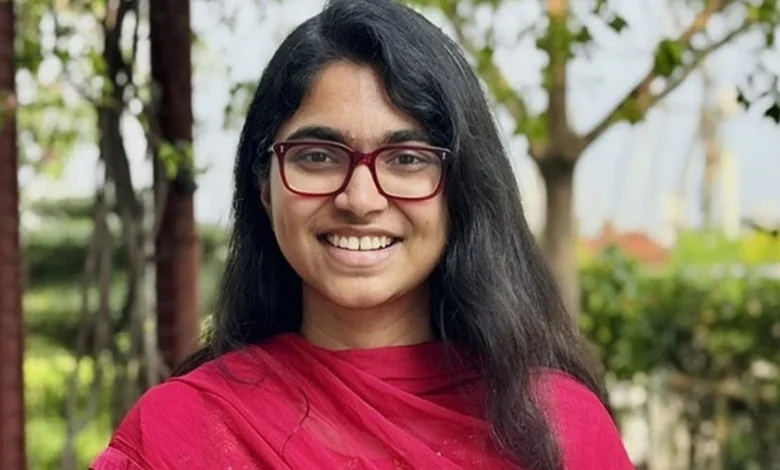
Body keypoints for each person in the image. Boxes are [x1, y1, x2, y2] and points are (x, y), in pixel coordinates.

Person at [91, 0, 634, 468]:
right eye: (317, 156)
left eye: (406, 158)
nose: (360, 199)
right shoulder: (181, 433)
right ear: (264, 186)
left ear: (461, 188)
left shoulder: (557, 430)